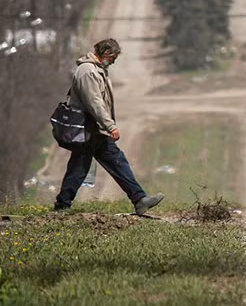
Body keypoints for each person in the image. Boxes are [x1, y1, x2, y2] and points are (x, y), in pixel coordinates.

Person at [54, 38, 164, 215]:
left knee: (116, 161)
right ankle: (62, 205)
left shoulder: (97, 70)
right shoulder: (87, 71)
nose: (113, 61)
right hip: (87, 128)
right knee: (80, 168)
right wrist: (111, 126)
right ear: (106, 53)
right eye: (113, 57)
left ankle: (139, 199)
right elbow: (95, 103)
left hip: (95, 129)